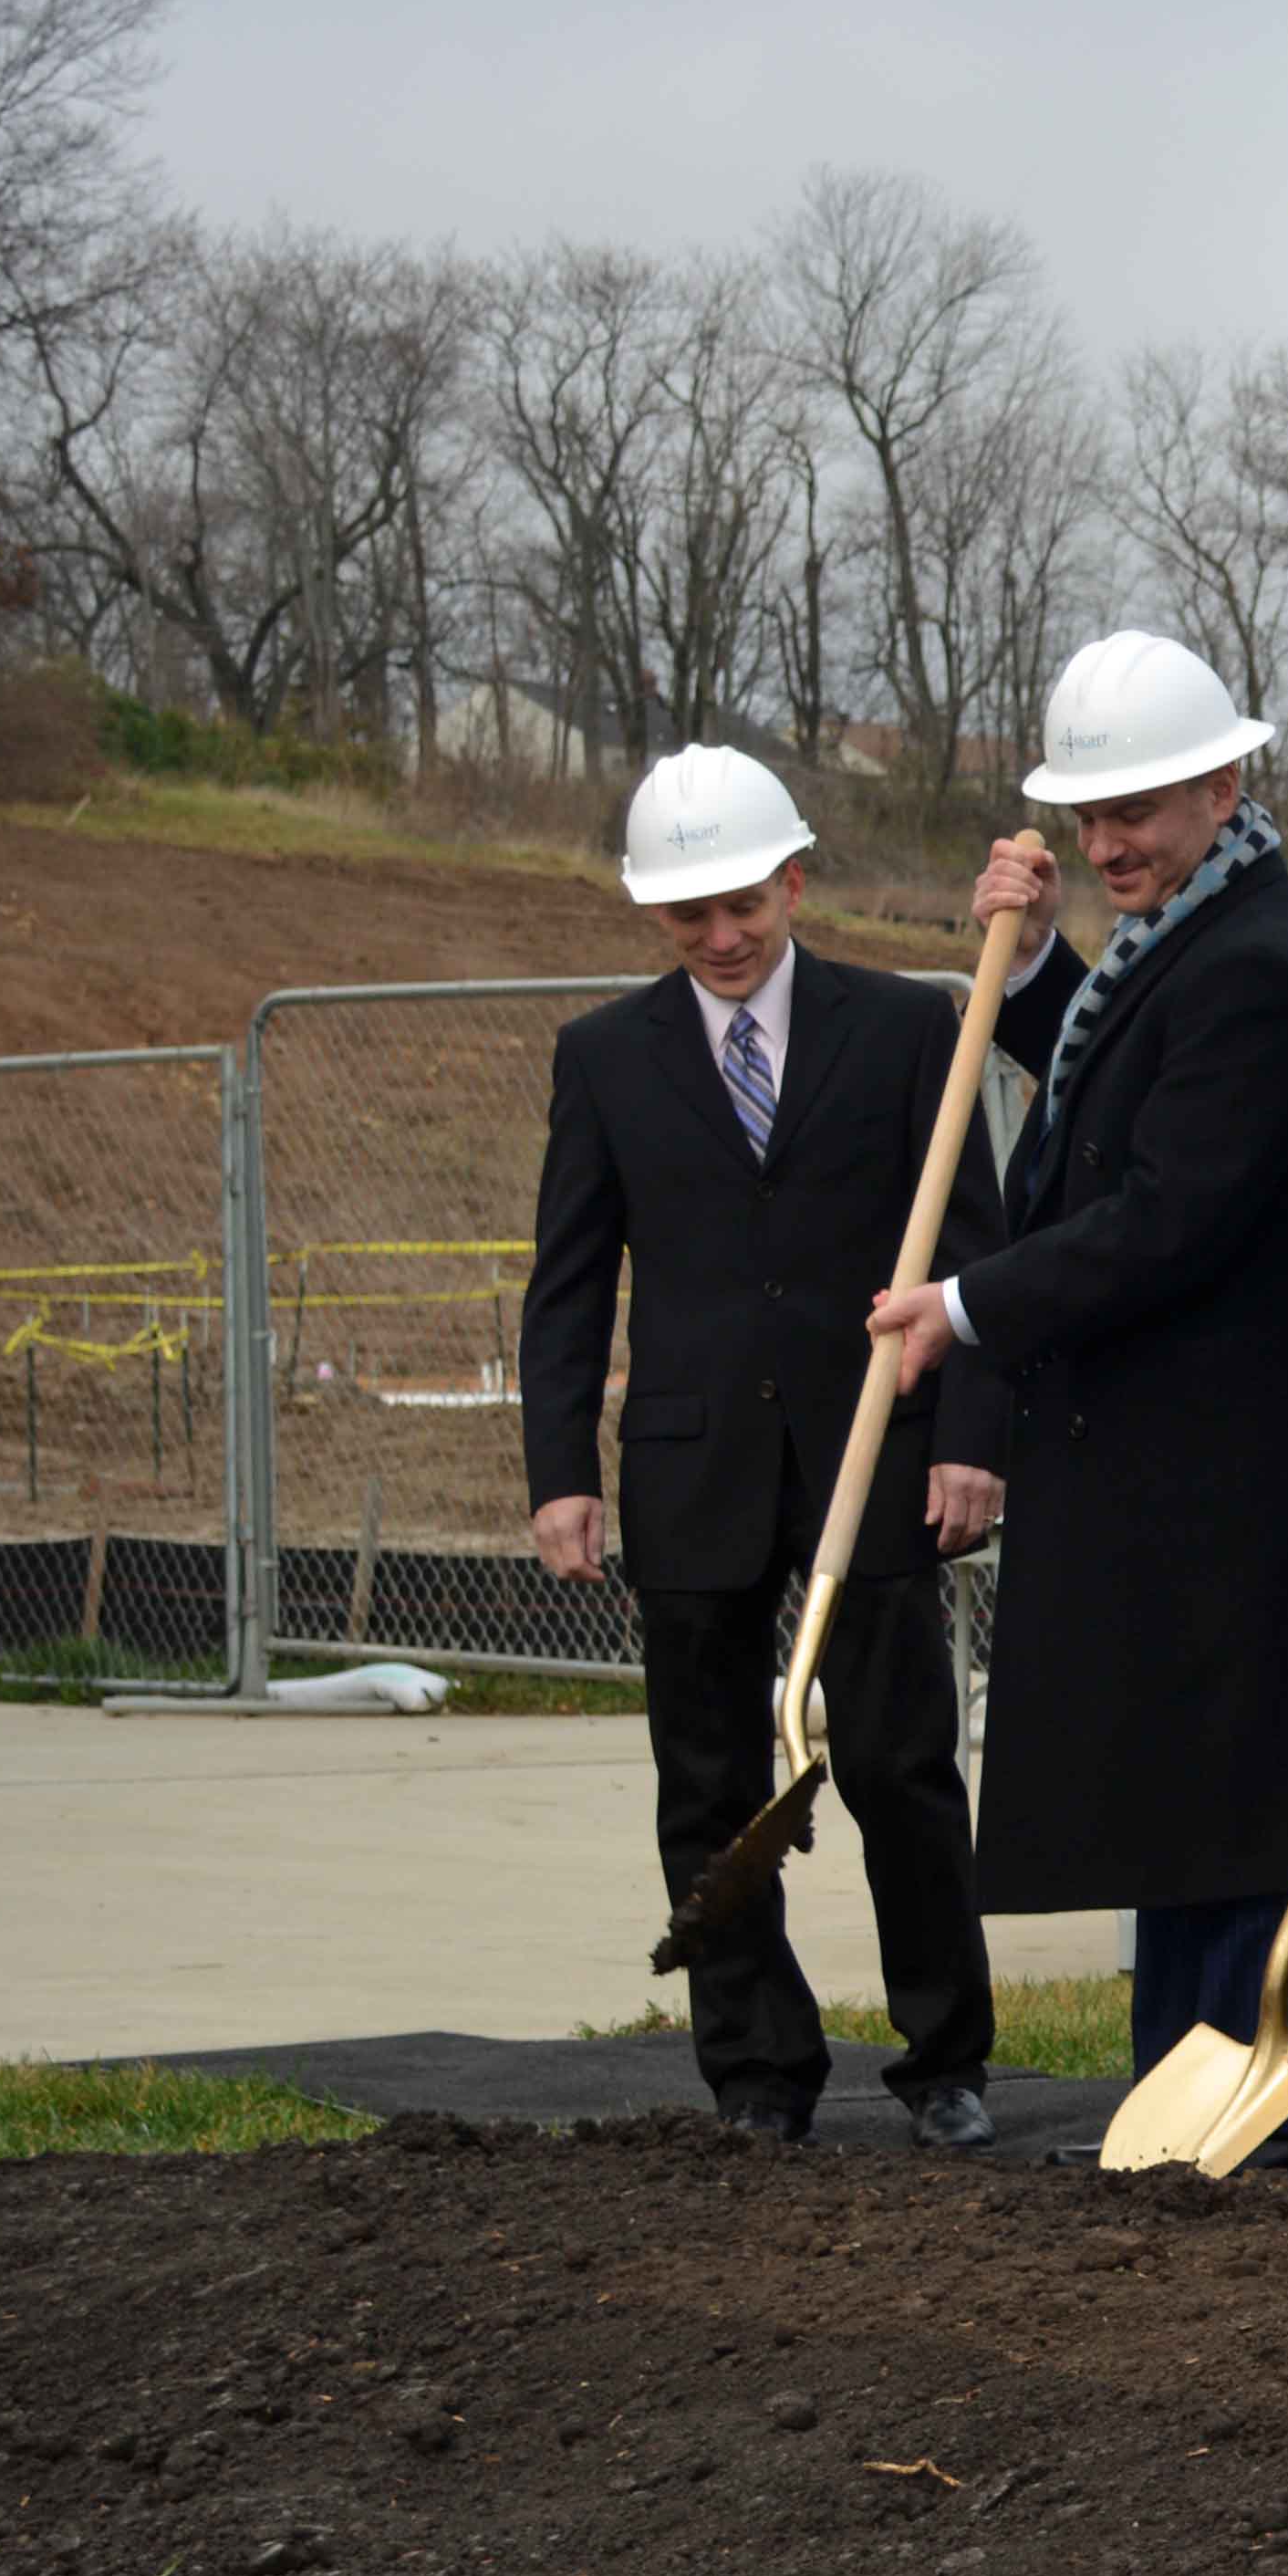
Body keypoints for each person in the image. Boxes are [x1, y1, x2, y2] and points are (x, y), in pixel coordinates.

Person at [865, 631, 1288, 2168]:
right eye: (1093, 815)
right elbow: (1120, 1092)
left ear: (1223, 783)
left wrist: (969, 1305)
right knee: (1180, 1814)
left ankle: (1265, 2111)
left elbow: (1173, 1206)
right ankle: (1189, 2105)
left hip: (1243, 1475)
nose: (1113, 842)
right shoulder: (1194, 930)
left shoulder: (1260, 954)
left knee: (1243, 1812)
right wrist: (1039, 969)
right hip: (1173, 1473)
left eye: (1144, 811)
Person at [524, 745, 1002, 2147]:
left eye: (745, 905)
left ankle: (945, 2060)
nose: (724, 940)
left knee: (903, 1769)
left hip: (874, 1457)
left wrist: (968, 1440)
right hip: (691, 1469)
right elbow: (568, 1279)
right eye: (691, 919)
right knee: (710, 1783)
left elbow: (975, 1246)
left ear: (795, 879)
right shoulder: (604, 1059)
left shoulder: (910, 1032)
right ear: (652, 918)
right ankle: (754, 2069)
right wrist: (559, 1469)